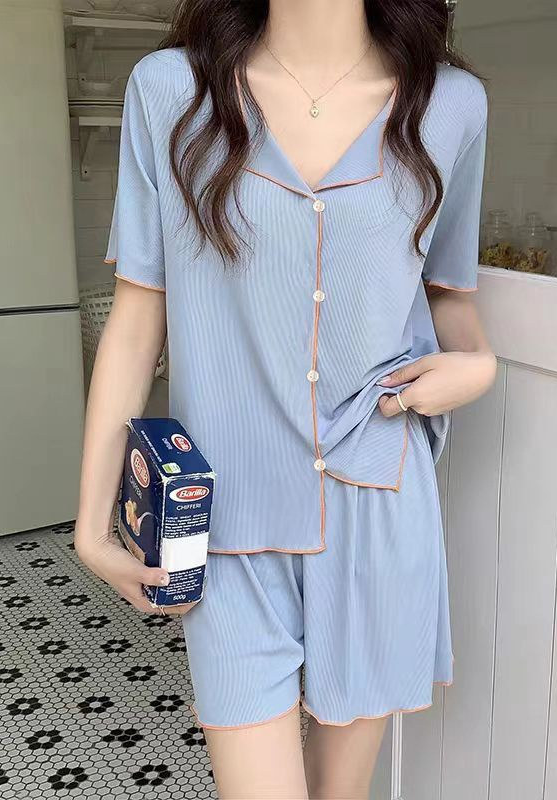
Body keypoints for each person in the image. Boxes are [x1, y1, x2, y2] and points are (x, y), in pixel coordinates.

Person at [74, 0, 497, 797]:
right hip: (228, 515)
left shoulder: (451, 105)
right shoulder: (172, 92)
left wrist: (478, 366)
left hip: (376, 501)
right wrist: (91, 524)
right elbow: (136, 318)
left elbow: (448, 292)